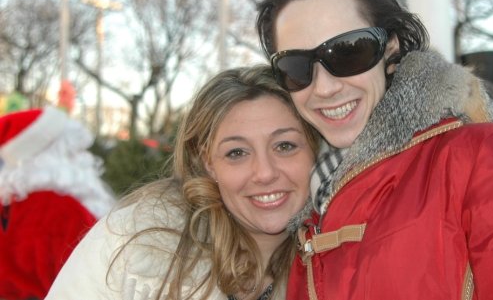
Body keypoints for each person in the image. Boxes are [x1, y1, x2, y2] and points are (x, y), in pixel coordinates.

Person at [256, 0, 493, 299]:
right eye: (296, 67)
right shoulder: (305, 203)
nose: (325, 87)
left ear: (389, 49)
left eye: (349, 53)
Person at [45, 65, 320, 300]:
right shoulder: (136, 246)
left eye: (285, 146)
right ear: (207, 162)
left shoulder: (332, 262)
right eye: (236, 153)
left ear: (316, 151)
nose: (265, 173)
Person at [0, 106, 115, 300]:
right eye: (71, 149)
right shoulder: (59, 208)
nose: (82, 156)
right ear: (50, 152)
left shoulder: (11, 202)